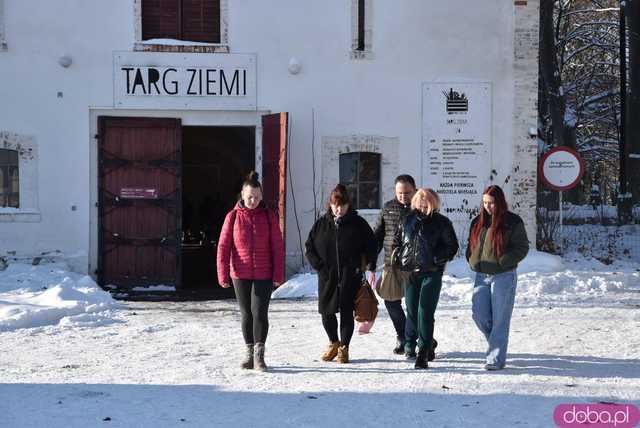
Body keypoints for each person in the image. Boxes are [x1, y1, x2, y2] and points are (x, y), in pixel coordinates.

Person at [216, 171, 285, 372]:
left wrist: (278, 274)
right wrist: (223, 274)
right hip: (240, 273)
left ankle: (259, 356)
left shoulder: (269, 217)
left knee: (260, 313)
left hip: (264, 273)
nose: (252, 200)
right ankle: (248, 353)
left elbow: (277, 247)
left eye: (256, 197)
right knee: (246, 314)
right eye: (249, 197)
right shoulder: (233, 217)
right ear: (242, 195)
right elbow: (223, 246)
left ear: (261, 196)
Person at [305, 184, 377, 364]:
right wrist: (319, 266)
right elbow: (310, 247)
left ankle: (344, 348)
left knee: (346, 312)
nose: (339, 209)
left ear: (348, 205)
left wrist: (368, 263)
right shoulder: (321, 224)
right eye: (335, 205)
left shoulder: (358, 223)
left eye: (342, 205)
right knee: (326, 312)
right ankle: (333, 343)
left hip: (349, 275)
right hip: (327, 276)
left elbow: (371, 245)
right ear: (330, 204)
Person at [393, 188, 458, 369]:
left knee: (425, 310)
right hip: (411, 272)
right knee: (412, 310)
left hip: (432, 272)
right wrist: (398, 257)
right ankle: (412, 344)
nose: (422, 205)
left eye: (426, 202)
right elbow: (397, 242)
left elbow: (452, 246)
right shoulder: (406, 219)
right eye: (419, 201)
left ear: (433, 203)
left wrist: (437, 259)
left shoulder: (441, 223)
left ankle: (424, 350)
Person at [375, 174, 439, 358]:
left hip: (415, 265)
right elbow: (377, 235)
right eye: (399, 192)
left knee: (417, 307)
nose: (403, 196)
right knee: (391, 301)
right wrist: (370, 260)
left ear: (415, 189)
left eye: (407, 192)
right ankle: (403, 335)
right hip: (392, 263)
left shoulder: (421, 209)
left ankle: (423, 339)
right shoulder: (388, 208)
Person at [466, 185, 529, 371]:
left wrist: (503, 261)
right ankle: (497, 342)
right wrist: (472, 260)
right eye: (485, 202)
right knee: (479, 315)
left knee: (500, 318)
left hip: (504, 275)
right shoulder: (477, 221)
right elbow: (470, 245)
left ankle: (495, 358)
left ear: (500, 202)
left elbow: (521, 248)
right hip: (481, 275)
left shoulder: (513, 222)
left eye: (492, 203)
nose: (488, 206)